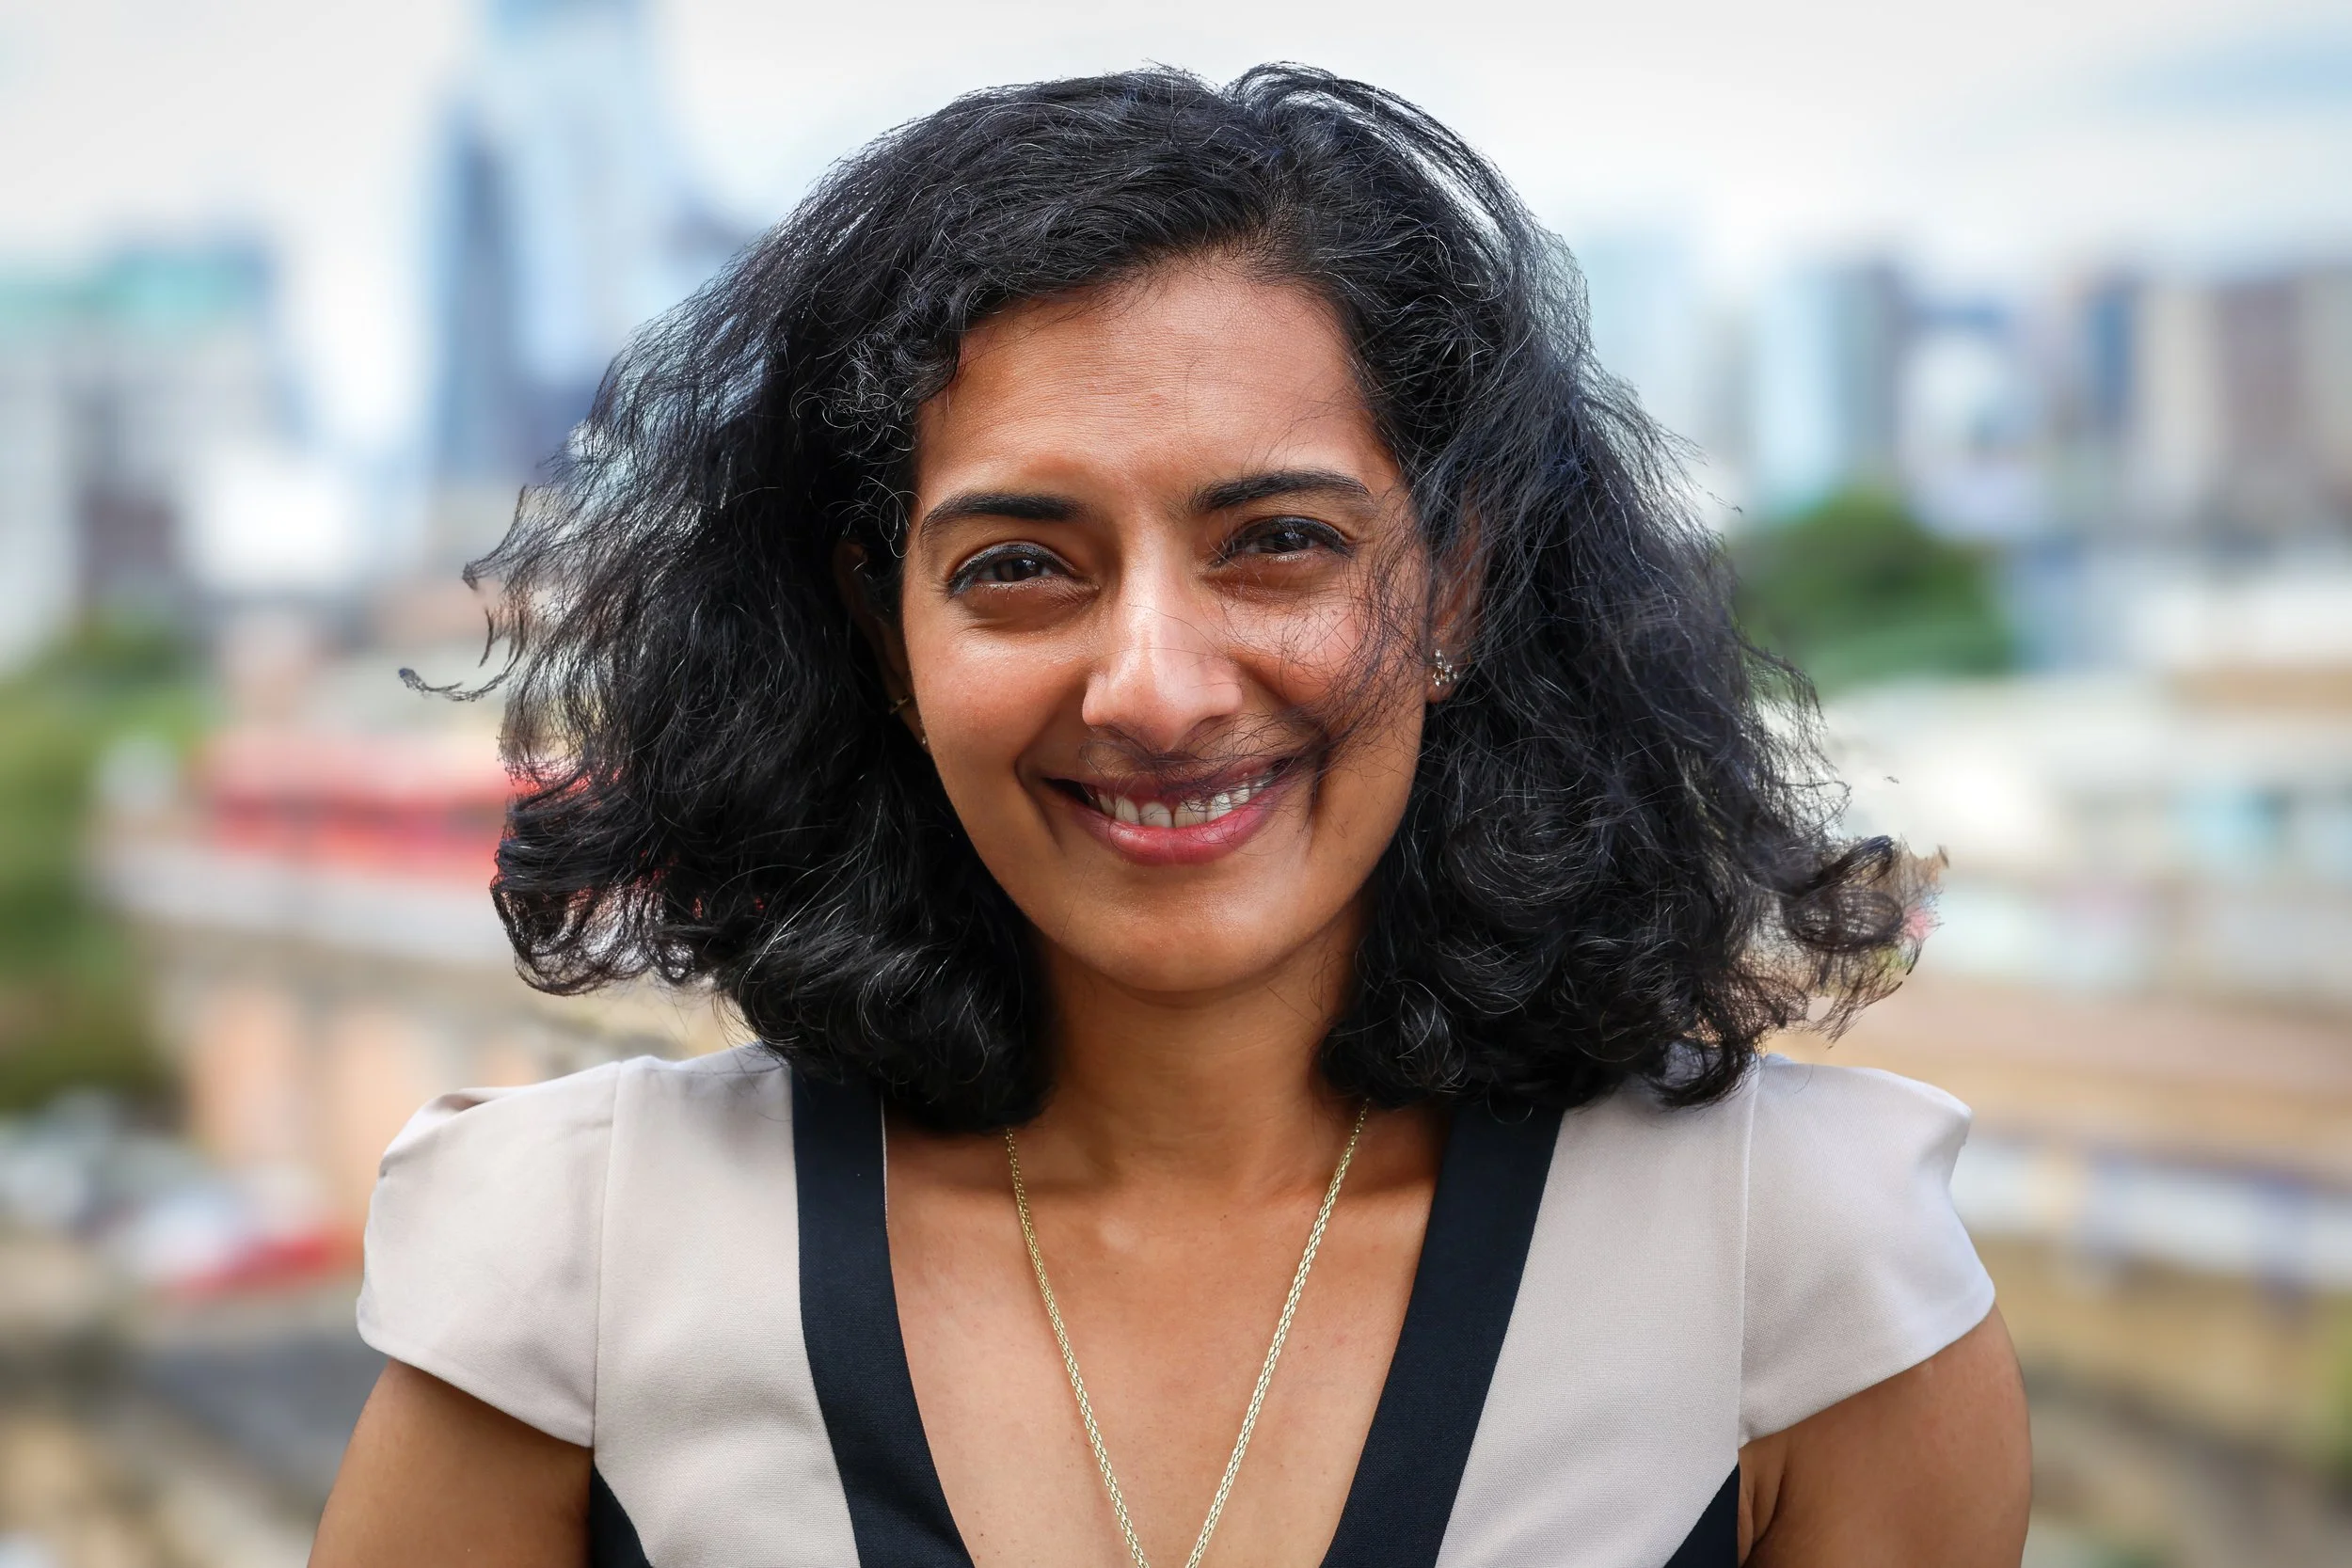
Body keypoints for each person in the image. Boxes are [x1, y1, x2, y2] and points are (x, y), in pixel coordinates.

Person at [313, 66, 2030, 1568]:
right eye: (1016, 567)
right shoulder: (582, 1265)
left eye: (1277, 540)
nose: (1152, 684)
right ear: (880, 633)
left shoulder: (1803, 1275)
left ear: (1458, 584)